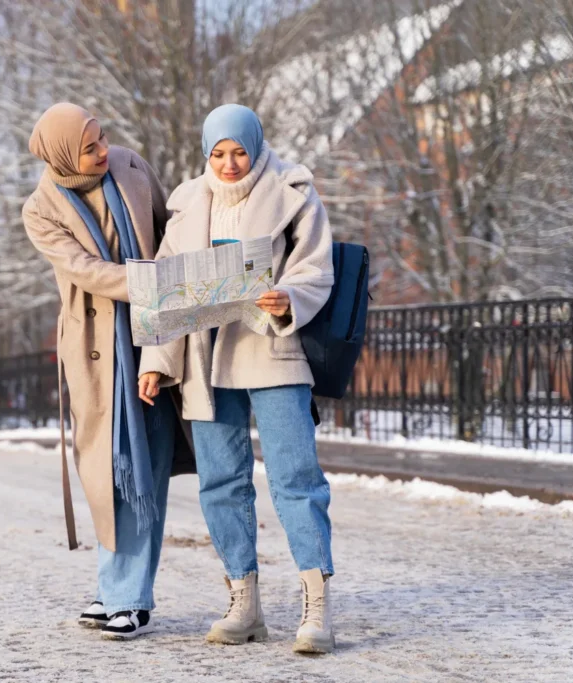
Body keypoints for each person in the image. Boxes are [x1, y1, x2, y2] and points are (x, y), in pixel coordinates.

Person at [138, 104, 337, 654]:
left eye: (239, 151)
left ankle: (316, 605)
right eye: (218, 153)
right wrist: (155, 364)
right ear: (206, 153)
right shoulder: (185, 203)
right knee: (220, 482)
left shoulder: (292, 189)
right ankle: (243, 601)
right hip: (205, 359)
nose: (229, 163)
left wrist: (287, 297)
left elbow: (316, 269)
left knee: (296, 477)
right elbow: (165, 291)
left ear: (257, 145)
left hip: (271, 345)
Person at [23, 102, 193, 640]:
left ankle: (129, 597)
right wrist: (154, 282)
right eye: (90, 147)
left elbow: (170, 229)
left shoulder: (130, 166)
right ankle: (115, 585)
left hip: (155, 337)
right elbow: (85, 271)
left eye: (102, 138)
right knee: (108, 468)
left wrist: (181, 283)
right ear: (62, 154)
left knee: (145, 465)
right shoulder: (41, 209)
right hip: (98, 350)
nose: (103, 151)